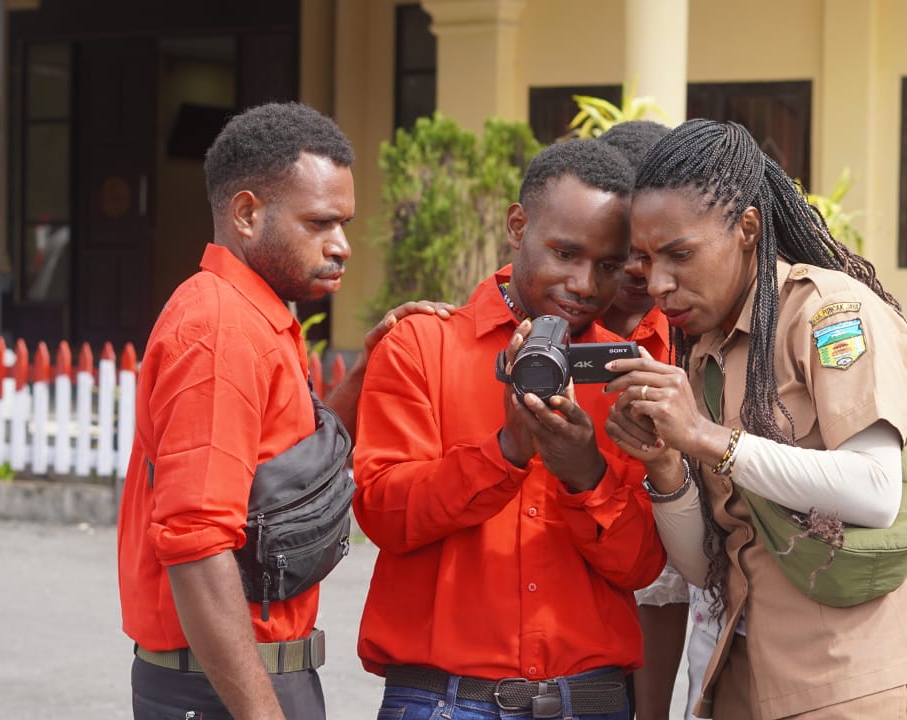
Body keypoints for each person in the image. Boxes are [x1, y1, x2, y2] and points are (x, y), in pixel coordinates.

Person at [602, 119, 907, 719]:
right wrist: (667, 465)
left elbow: (877, 491)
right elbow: (706, 567)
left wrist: (706, 436)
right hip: (753, 678)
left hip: (864, 684)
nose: (657, 283)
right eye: (646, 260)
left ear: (748, 227)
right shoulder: (703, 350)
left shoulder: (830, 315)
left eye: (680, 255)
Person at [117, 102, 445, 720]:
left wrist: (368, 371)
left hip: (249, 678)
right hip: (223, 690)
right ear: (247, 214)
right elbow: (197, 545)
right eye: (320, 223)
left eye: (344, 223)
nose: (342, 245)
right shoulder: (219, 331)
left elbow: (291, 475)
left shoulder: (257, 317)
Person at [352, 139, 667, 720]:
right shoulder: (421, 347)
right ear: (517, 227)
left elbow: (642, 566)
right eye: (565, 253)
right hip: (444, 700)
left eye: (607, 265)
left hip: (590, 699)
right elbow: (382, 515)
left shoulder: (628, 373)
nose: (583, 283)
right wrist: (506, 452)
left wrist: (585, 475)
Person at [599, 119, 712, 720]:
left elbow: (670, 583)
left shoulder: (693, 337)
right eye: (628, 251)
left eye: (665, 251)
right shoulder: (534, 336)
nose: (645, 272)